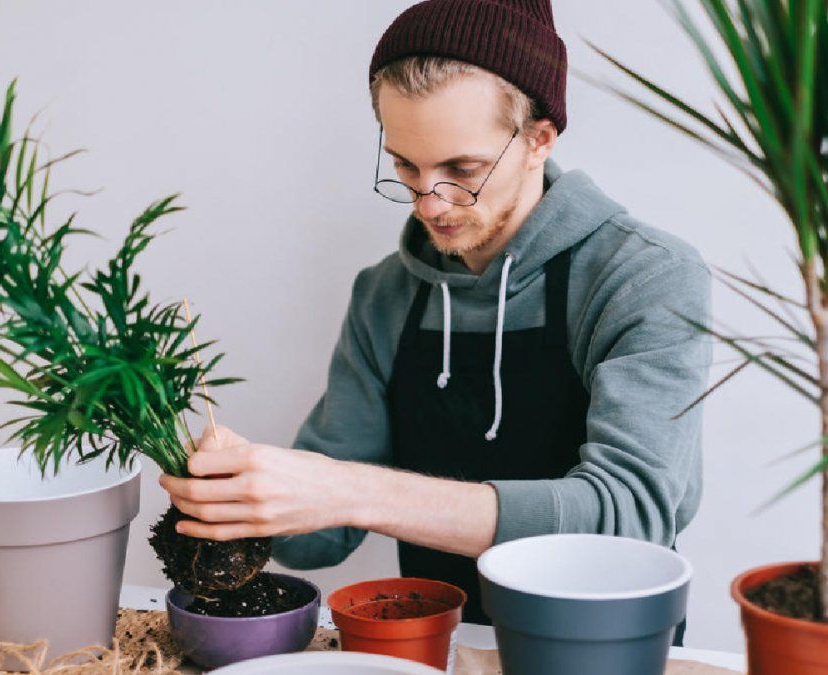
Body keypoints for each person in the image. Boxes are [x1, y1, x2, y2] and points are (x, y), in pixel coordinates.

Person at [159, 0, 710, 643]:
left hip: (603, 645)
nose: (431, 201)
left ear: (540, 138)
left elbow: (630, 518)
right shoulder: (384, 296)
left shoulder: (644, 276)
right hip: (431, 643)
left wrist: (350, 491)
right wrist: (250, 491)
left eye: (463, 170)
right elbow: (317, 545)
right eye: (406, 166)